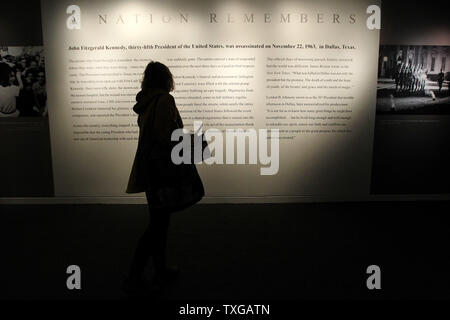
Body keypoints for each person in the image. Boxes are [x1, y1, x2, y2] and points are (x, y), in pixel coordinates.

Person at [124, 61, 205, 294]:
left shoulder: (146, 102)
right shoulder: (164, 100)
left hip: (151, 169)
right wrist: (193, 142)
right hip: (163, 172)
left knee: (159, 222)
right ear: (166, 78)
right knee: (158, 225)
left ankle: (159, 270)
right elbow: (167, 136)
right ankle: (134, 275)